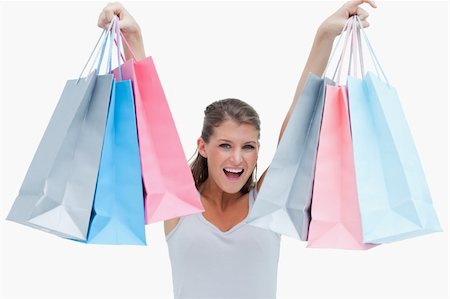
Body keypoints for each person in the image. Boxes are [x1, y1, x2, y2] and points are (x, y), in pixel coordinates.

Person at [98, 1, 377, 298]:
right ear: (203, 147)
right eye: (225, 145)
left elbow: (297, 133)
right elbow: (150, 121)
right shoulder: (180, 203)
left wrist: (324, 35)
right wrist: (134, 37)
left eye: (248, 147)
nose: (237, 158)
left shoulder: (266, 204)